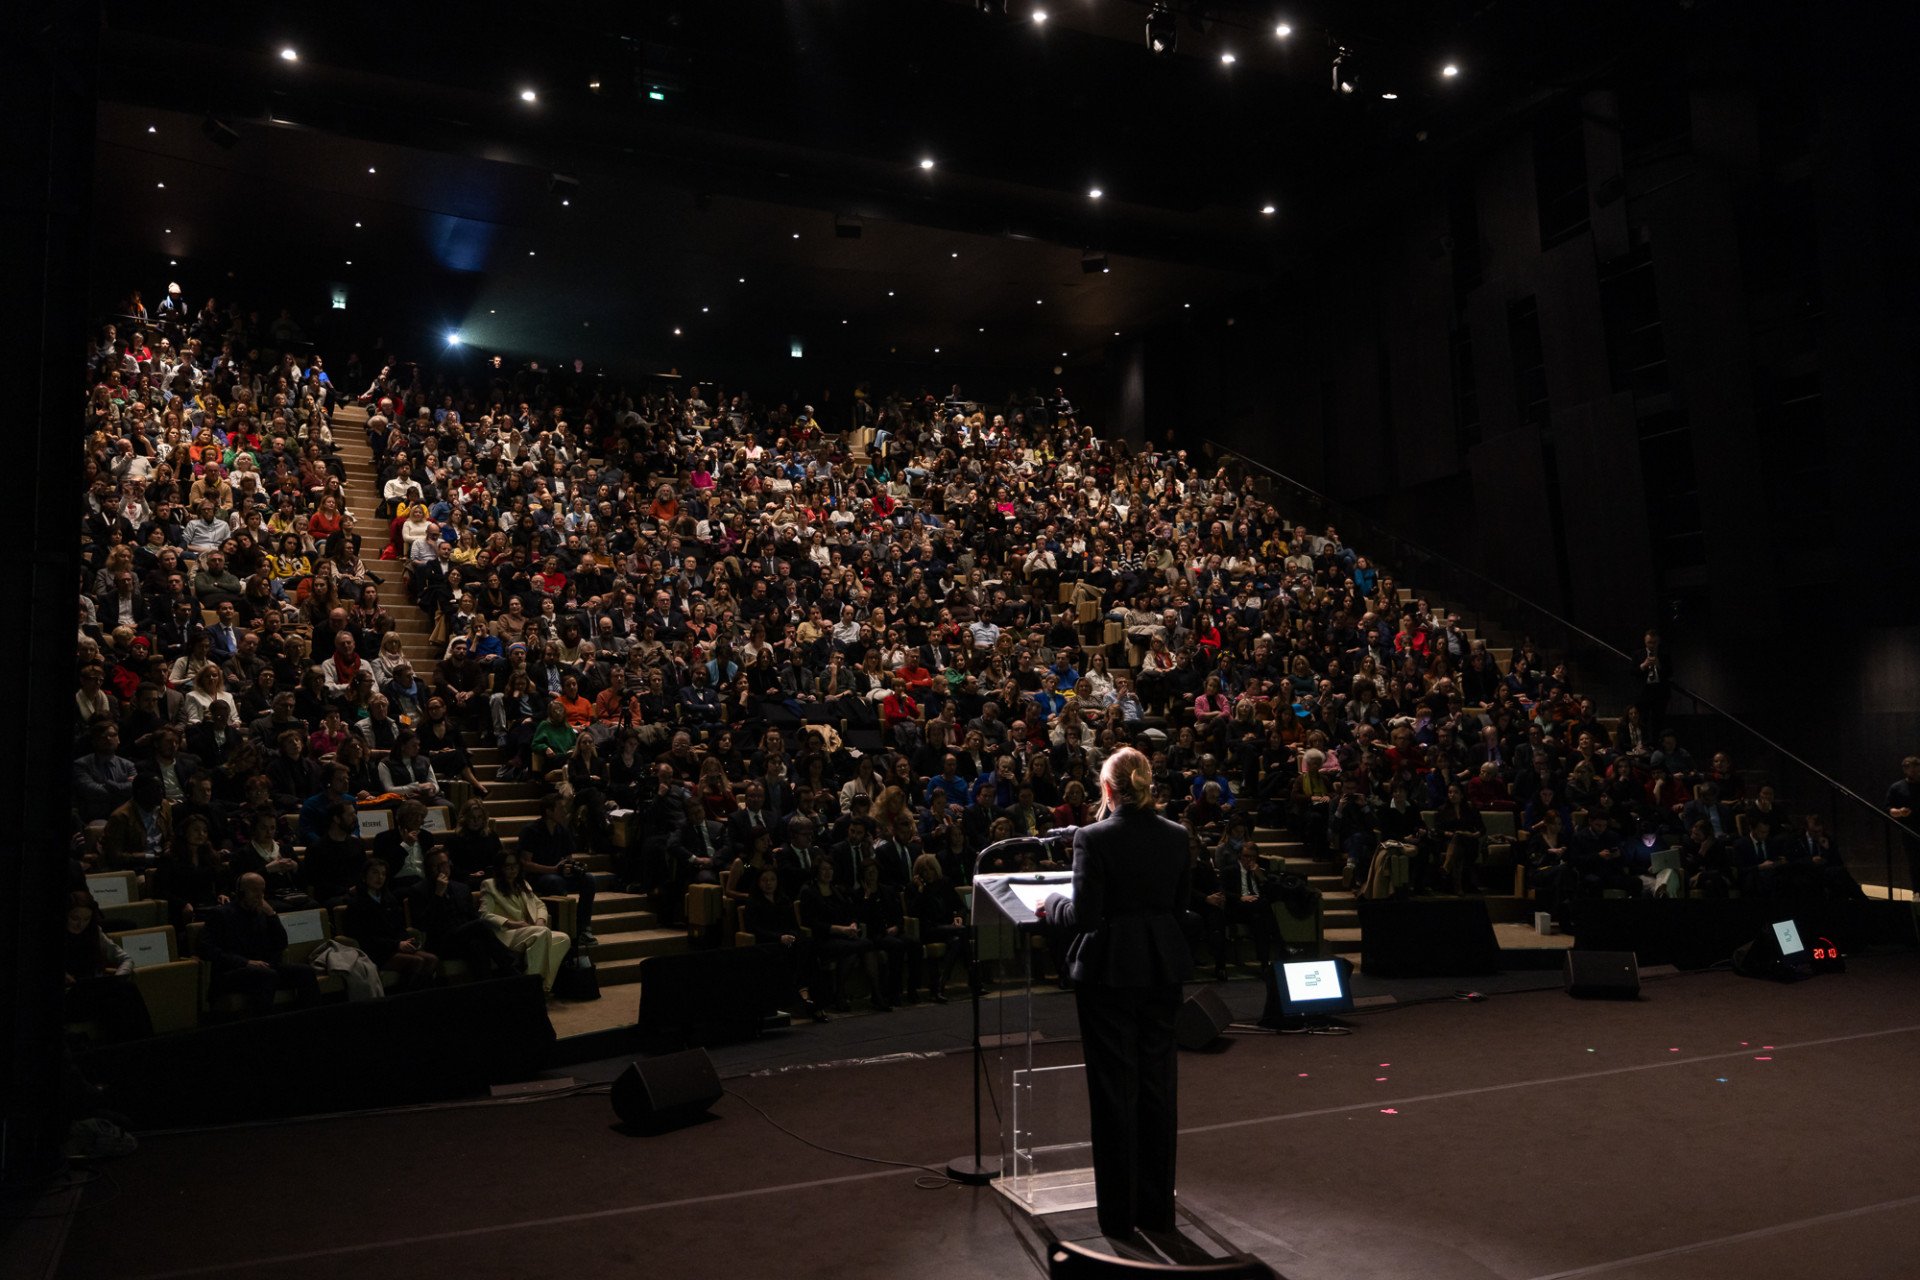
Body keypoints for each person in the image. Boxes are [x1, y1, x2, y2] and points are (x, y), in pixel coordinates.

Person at [1039, 747, 1192, 1242]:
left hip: (1109, 972)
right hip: (1162, 966)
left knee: (1113, 1091)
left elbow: (1084, 917)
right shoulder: (1177, 836)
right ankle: (1156, 1211)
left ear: (1107, 790)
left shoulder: (1093, 837)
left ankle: (1118, 1219)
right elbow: (1179, 905)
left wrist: (1052, 902)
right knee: (1157, 1086)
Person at [198, 872, 322, 1015]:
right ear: (241, 892)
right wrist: (245, 962)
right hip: (231, 972)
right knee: (266, 975)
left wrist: (272, 915)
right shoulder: (221, 914)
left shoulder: (263, 913)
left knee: (305, 972)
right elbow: (206, 949)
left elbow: (281, 943)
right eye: (254, 891)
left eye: (262, 891)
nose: (260, 896)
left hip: (263, 969)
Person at [62, 891, 154, 1042]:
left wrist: (117, 979)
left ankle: (140, 1043)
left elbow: (126, 959)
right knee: (124, 995)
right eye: (74, 918)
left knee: (127, 989)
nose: (80, 924)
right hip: (68, 996)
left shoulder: (93, 932)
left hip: (91, 989)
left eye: (86, 919)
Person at [480, 851, 572, 996]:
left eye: (515, 866)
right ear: (500, 868)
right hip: (507, 933)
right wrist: (511, 923)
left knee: (563, 938)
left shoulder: (523, 884)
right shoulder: (489, 885)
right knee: (542, 933)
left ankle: (542, 987)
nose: (512, 870)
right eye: (508, 866)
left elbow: (540, 905)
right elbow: (484, 915)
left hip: (530, 930)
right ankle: (531, 990)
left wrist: (540, 920)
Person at [341, 858, 439, 991]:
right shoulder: (356, 904)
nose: (379, 877)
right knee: (417, 961)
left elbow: (399, 926)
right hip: (374, 951)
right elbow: (364, 938)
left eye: (383, 874)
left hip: (394, 946)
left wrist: (405, 940)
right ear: (364, 877)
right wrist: (397, 944)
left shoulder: (389, 899)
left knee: (431, 959)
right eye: (375, 873)